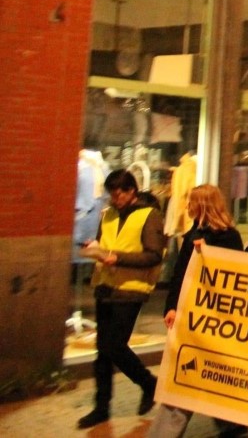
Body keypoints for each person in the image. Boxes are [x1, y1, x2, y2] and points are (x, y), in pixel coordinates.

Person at [148, 185, 246, 438]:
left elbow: (235, 277)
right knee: (189, 372)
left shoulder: (229, 237)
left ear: (203, 206)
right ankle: (229, 422)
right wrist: (172, 307)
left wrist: (208, 255)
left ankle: (229, 422)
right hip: (191, 316)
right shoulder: (193, 233)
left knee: (195, 373)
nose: (187, 207)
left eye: (191, 202)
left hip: (214, 319)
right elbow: (180, 275)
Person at [77, 169, 164, 429]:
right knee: (102, 352)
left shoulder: (149, 215)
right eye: (112, 195)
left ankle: (150, 384)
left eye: (119, 194)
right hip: (105, 286)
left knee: (115, 346)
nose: (115, 200)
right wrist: (96, 248)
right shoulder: (109, 214)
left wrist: (118, 257)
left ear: (131, 191)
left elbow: (153, 255)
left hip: (131, 289)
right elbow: (107, 244)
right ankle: (101, 407)